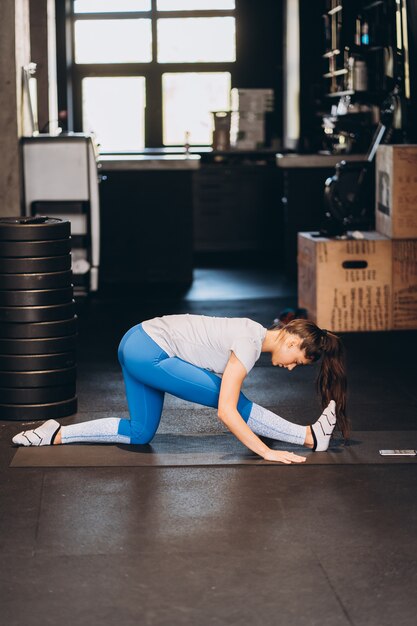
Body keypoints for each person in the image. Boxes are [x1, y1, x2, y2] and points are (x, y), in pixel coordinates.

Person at [12, 314, 348, 464]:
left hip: (135, 341)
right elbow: (227, 412)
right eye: (297, 360)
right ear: (291, 339)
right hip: (149, 350)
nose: (290, 368)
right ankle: (309, 437)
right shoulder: (248, 342)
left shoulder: (252, 333)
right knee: (231, 400)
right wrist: (266, 451)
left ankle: (54, 434)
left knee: (140, 432)